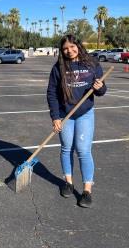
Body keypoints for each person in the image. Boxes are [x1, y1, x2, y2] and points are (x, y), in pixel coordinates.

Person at [47, 34, 107, 208]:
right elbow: (51, 93)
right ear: (62, 50)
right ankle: (68, 182)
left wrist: (100, 87)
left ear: (78, 46)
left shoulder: (92, 64)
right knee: (66, 148)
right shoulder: (58, 67)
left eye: (72, 46)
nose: (69, 50)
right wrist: (55, 117)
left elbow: (102, 91)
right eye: (65, 48)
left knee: (83, 150)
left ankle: (87, 190)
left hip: (85, 113)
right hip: (66, 115)